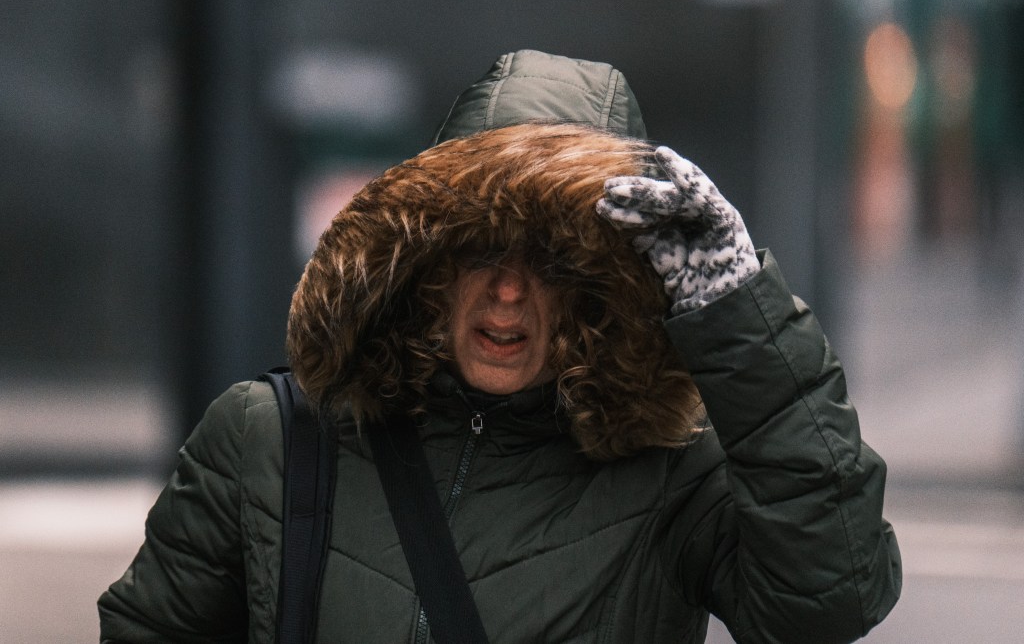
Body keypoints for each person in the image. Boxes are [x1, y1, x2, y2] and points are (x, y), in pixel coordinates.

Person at [99, 50, 901, 643]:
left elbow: (832, 599)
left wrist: (736, 309)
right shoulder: (270, 440)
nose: (509, 292)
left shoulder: (673, 471)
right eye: (481, 249)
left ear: (601, 287)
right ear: (425, 260)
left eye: (552, 261)